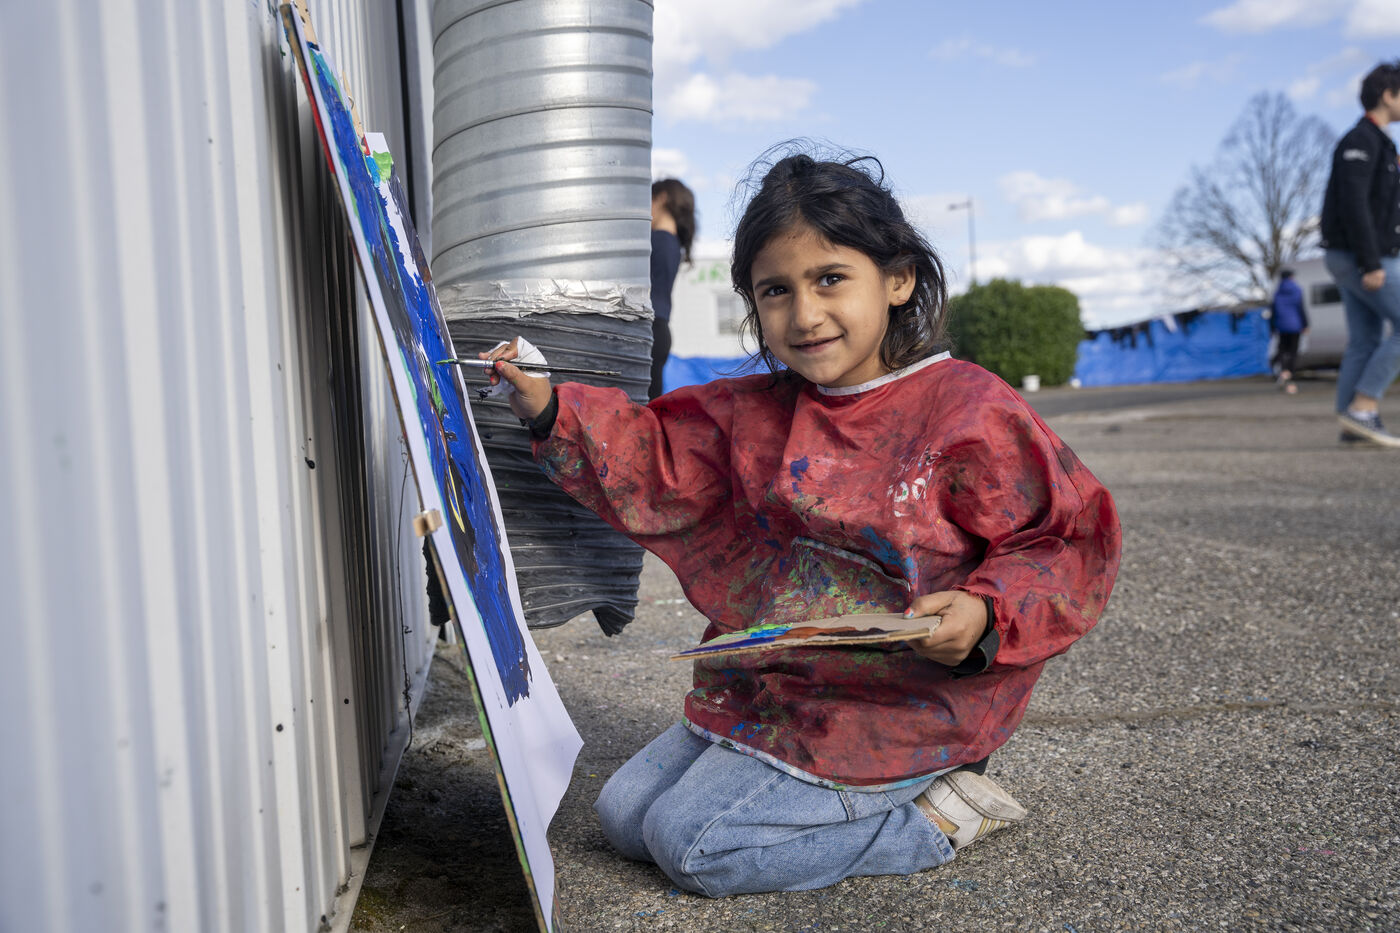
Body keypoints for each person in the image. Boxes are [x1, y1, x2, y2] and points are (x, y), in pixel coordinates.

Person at [481, 150, 1122, 897]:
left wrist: (985, 613)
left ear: (898, 279)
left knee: (693, 848)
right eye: (776, 290)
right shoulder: (758, 410)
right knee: (623, 818)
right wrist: (548, 407)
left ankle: (937, 815)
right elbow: (655, 457)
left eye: (830, 279)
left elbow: (1063, 539)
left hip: (905, 705)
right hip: (777, 687)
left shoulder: (968, 409)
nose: (805, 314)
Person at [1320, 60, 1400, 447]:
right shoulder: (1361, 140)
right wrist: (1370, 262)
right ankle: (1363, 408)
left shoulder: (1380, 143)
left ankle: (1351, 423)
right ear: (1388, 95)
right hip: (1363, 257)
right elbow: (1354, 204)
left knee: (1365, 339)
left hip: (1356, 254)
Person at [648, 178, 696, 400]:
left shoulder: (655, 240)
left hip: (647, 331)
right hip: (659, 331)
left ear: (661, 198)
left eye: (649, 201)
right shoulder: (673, 244)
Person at [1269, 268, 1309, 394]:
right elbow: (1301, 308)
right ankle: (1289, 376)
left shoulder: (1277, 292)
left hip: (1281, 326)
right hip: (1295, 326)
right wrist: (1305, 324)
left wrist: (1272, 328)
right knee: (1293, 352)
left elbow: (1273, 312)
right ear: (1291, 277)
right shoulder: (1297, 290)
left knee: (1282, 350)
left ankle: (1283, 371)